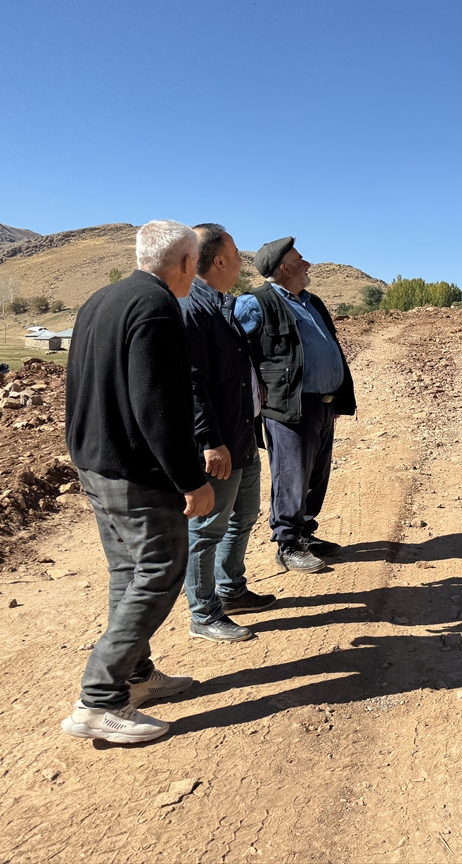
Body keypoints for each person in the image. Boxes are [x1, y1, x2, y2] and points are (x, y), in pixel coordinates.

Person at [61, 220, 215, 744]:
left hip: (97, 464)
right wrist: (192, 481)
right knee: (159, 571)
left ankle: (136, 676)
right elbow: (158, 408)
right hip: (136, 473)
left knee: (127, 571)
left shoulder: (100, 300)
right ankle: (98, 700)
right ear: (187, 263)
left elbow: (80, 385)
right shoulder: (156, 308)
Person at [178, 224, 277, 643]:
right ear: (219, 260)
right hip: (219, 444)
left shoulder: (223, 305)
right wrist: (208, 442)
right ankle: (204, 613)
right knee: (207, 530)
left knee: (244, 515)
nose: (242, 260)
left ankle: (232, 589)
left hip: (242, 436)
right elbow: (193, 383)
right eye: (236, 253)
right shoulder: (193, 310)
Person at [234, 237, 355, 574]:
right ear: (284, 268)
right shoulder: (254, 303)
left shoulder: (311, 301)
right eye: (300, 260)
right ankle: (287, 544)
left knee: (316, 474)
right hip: (289, 407)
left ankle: (304, 533)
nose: (308, 265)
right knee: (292, 476)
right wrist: (255, 391)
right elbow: (233, 351)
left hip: (323, 404)